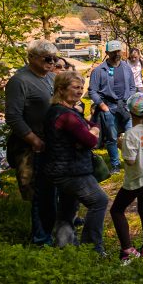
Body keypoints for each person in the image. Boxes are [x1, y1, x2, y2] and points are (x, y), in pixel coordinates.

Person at [45, 70, 108, 254]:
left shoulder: (69, 111)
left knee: (68, 208)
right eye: (75, 87)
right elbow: (90, 140)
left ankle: (64, 247)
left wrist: (91, 131)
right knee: (99, 201)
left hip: (64, 168)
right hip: (71, 171)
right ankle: (92, 248)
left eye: (81, 87)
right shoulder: (64, 115)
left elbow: (93, 126)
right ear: (61, 89)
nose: (80, 91)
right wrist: (91, 134)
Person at [4, 40, 58, 246]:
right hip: (31, 146)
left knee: (53, 189)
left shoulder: (51, 77)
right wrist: (34, 140)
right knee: (38, 192)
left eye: (54, 58)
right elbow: (13, 116)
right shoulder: (19, 81)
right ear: (32, 58)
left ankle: (55, 230)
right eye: (47, 58)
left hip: (52, 144)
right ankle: (41, 238)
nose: (52, 62)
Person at [110, 93, 143, 263]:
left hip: (137, 179)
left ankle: (128, 250)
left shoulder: (131, 134)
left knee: (116, 210)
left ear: (130, 112)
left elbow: (130, 161)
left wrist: (121, 145)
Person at [88, 40, 137, 173]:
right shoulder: (99, 70)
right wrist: (102, 106)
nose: (116, 54)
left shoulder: (126, 67)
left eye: (118, 51)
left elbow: (132, 87)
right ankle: (115, 165)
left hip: (125, 107)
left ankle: (131, 162)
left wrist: (130, 100)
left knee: (130, 136)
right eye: (113, 52)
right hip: (108, 107)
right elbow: (92, 91)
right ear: (107, 53)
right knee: (112, 138)